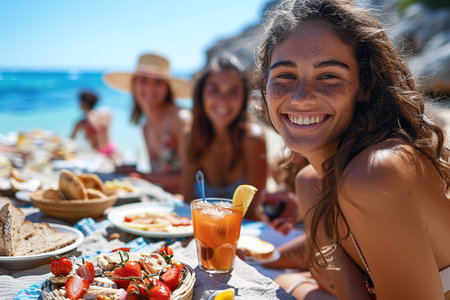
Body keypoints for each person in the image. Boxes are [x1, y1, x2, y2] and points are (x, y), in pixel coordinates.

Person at [258, 0, 450, 299]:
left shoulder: (376, 173)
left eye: (328, 75)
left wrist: (292, 282)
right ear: (264, 88)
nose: (301, 97)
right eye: (285, 75)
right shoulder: (311, 182)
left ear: (364, 87)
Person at [182, 55, 267, 220]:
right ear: (201, 95)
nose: (223, 100)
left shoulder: (253, 139)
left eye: (233, 91)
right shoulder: (192, 136)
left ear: (244, 97)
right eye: (214, 90)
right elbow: (187, 201)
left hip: (245, 233)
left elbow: (250, 211)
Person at [104, 53, 192, 194]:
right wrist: (134, 172)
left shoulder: (180, 119)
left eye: (157, 82)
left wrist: (142, 176)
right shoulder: (146, 126)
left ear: (167, 88)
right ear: (134, 84)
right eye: (144, 81)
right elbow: (159, 176)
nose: (150, 88)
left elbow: (190, 179)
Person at [70, 90, 118, 160]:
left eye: (80, 102)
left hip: (97, 153)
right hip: (111, 149)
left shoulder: (83, 122)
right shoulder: (105, 114)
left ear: (84, 103)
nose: (79, 104)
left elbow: (71, 139)